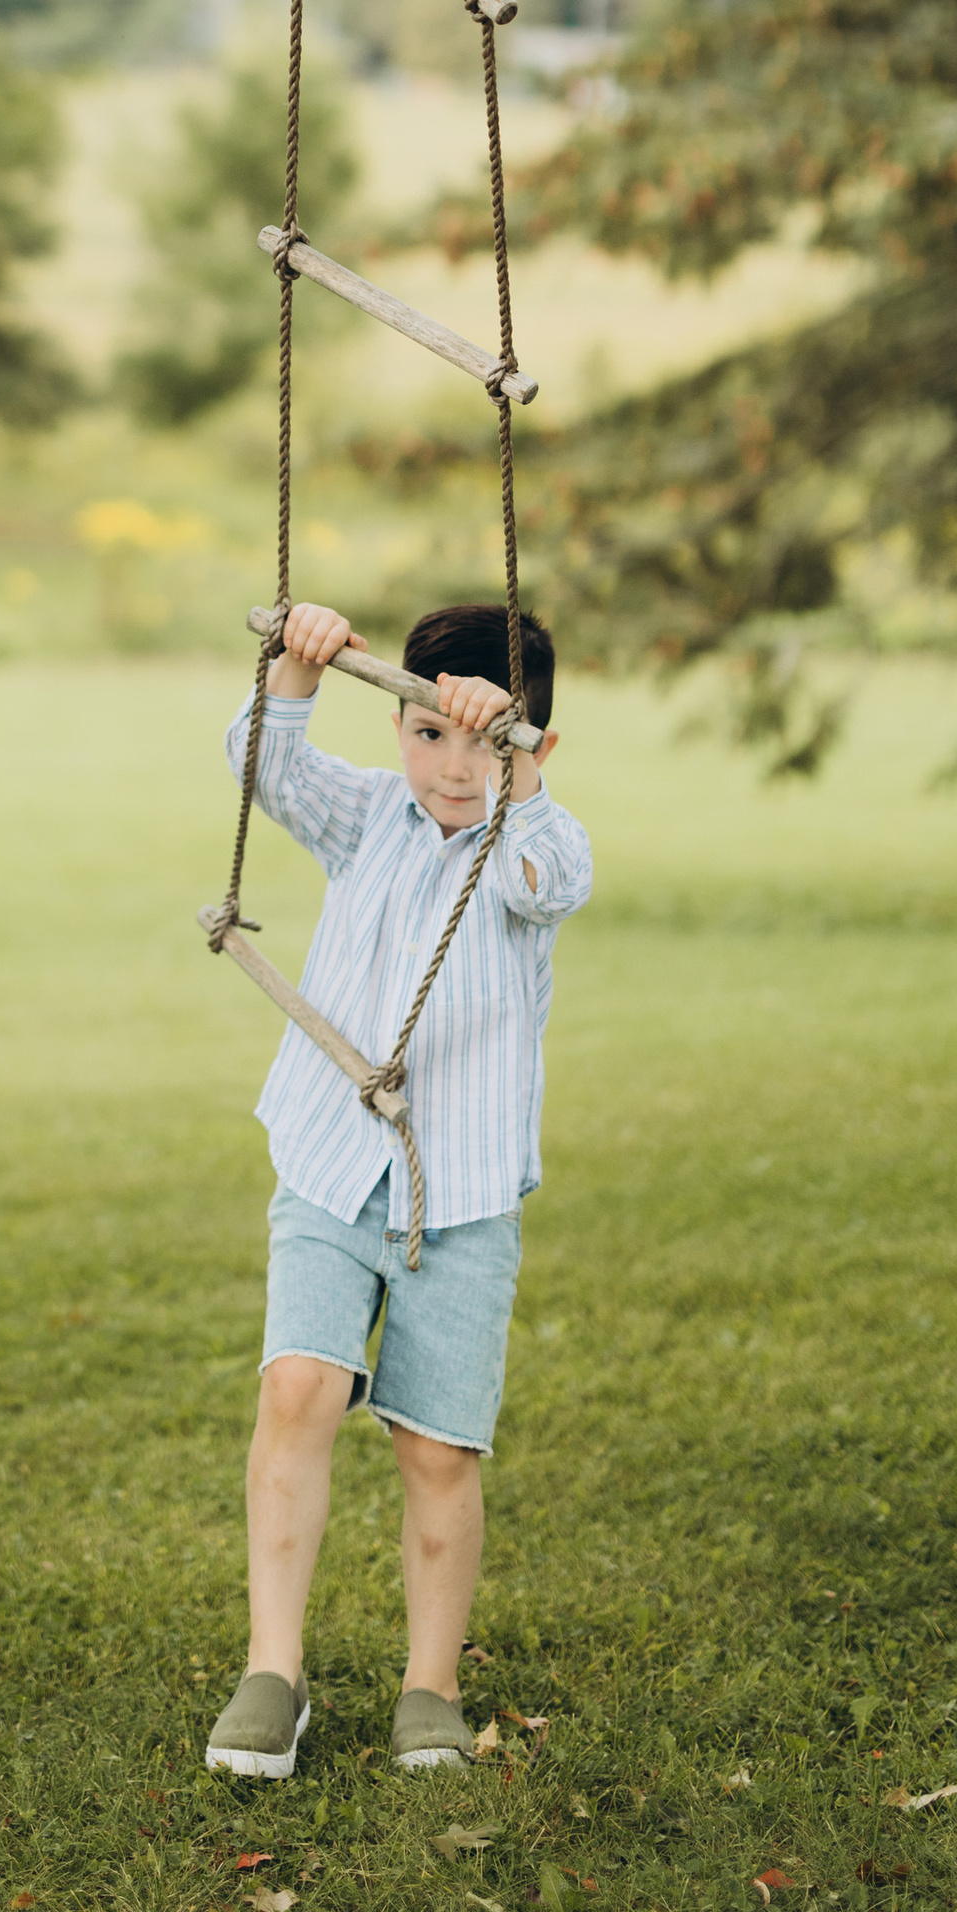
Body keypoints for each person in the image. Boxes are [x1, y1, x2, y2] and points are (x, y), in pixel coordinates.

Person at [204, 598, 590, 1784]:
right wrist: (304, 668)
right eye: (429, 734)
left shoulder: (536, 840)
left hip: (460, 1195)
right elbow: (261, 764)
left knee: (435, 1450)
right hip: (330, 1160)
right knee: (299, 1388)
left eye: (486, 741)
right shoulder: (367, 817)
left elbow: (543, 878)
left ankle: (430, 1685)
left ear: (534, 750)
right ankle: (275, 1668)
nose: (453, 765)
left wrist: (515, 773)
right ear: (402, 731)